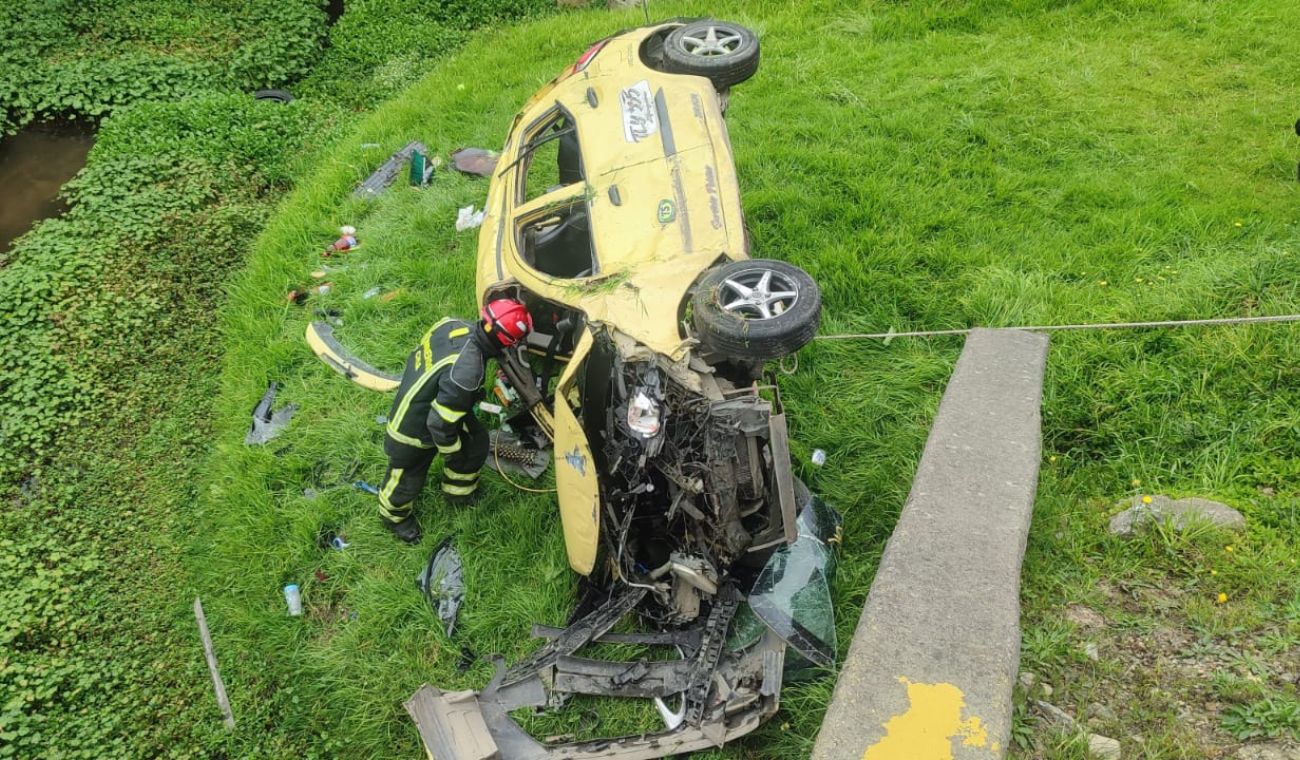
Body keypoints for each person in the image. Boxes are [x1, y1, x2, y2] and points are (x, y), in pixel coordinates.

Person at [377, 298, 533, 543]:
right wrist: (452, 451)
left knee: (476, 443)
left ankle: (458, 493)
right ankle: (393, 516)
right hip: (412, 429)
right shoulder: (467, 374)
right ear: (506, 342)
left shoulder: (453, 324)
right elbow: (439, 424)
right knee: (407, 476)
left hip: (428, 396)